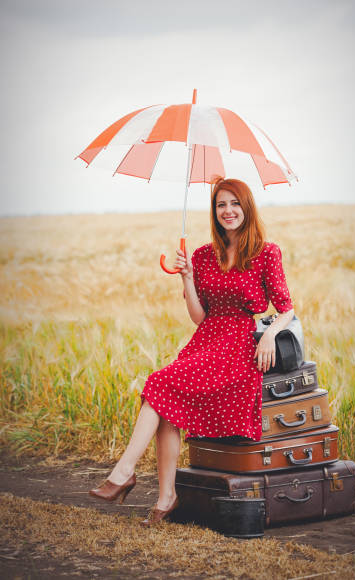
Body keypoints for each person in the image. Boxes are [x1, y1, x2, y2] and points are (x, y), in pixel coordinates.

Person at [89, 177, 294, 526]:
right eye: (220, 205)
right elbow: (200, 317)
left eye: (234, 204)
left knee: (158, 383)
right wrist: (186, 277)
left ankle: (125, 471)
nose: (228, 211)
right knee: (166, 400)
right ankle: (166, 497)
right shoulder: (201, 255)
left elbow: (286, 307)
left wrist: (270, 334)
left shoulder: (265, 251)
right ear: (214, 212)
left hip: (239, 344)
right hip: (206, 340)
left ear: (246, 208)